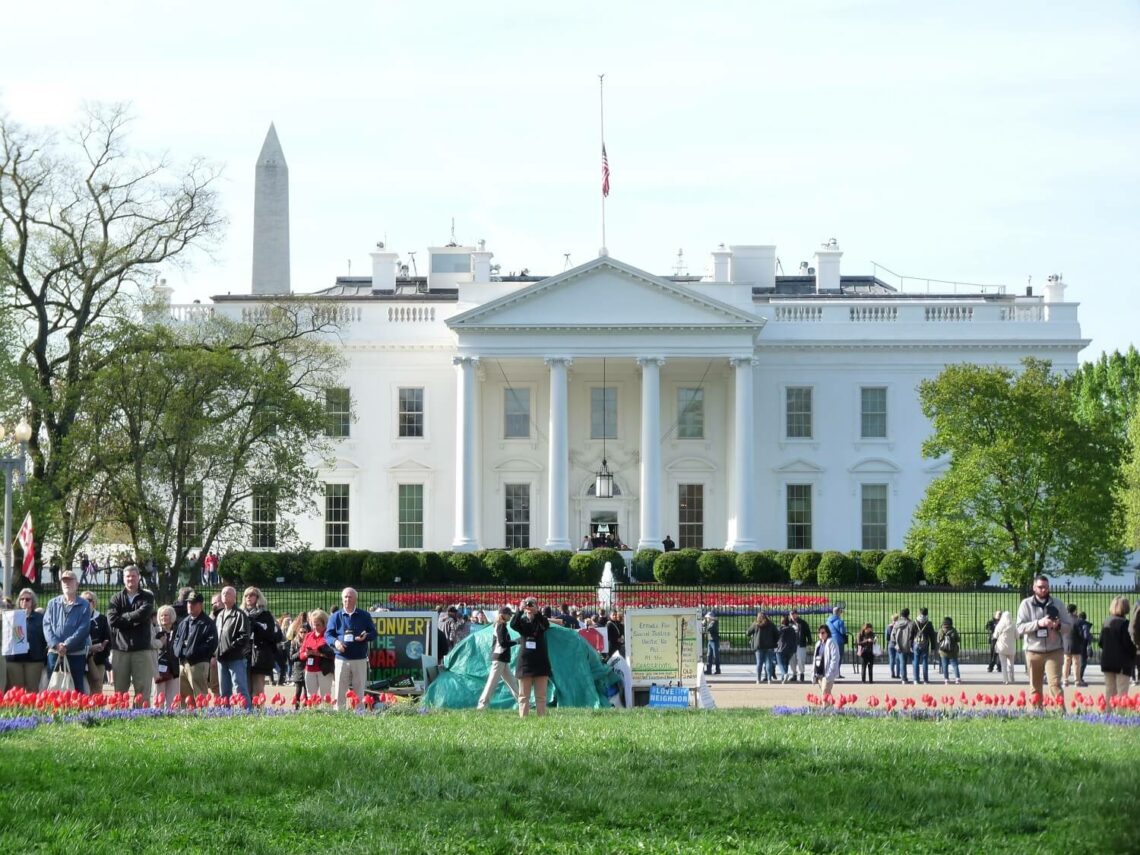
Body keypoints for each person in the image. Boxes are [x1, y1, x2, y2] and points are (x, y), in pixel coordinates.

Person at [1016, 574, 1072, 708]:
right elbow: (1019, 628)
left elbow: (1068, 627)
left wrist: (1057, 625)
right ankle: (1037, 714)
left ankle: (1061, 714)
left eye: (1046, 587)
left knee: (1055, 684)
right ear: (1034, 587)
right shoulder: (1026, 604)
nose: (1044, 590)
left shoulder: (1058, 604)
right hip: (1033, 651)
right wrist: (1038, 623)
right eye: (1040, 587)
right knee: (1035, 686)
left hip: (1054, 651)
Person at [107, 565, 157, 704]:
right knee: (119, 691)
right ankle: (120, 719)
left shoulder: (147, 596)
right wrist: (134, 621)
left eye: (133, 576)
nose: (131, 579)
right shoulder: (116, 598)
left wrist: (123, 618)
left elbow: (144, 613)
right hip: (120, 650)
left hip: (141, 649)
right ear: (123, 578)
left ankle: (141, 718)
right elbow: (112, 620)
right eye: (128, 576)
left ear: (138, 577)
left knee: (143, 690)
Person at [325, 587, 377, 711]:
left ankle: (359, 712)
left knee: (359, 688)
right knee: (339, 688)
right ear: (342, 599)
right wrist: (336, 643)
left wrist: (366, 637)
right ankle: (339, 713)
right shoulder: (335, 617)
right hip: (341, 659)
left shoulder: (364, 615)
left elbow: (374, 633)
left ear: (355, 599)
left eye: (350, 597)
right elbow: (328, 635)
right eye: (345, 597)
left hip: (359, 659)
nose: (347, 599)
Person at [43, 569, 92, 694]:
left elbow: (84, 628)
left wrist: (66, 644)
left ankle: (79, 714)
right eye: (64, 581)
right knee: (54, 688)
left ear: (77, 584)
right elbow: (46, 626)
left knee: (76, 690)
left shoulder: (84, 605)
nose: (66, 583)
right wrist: (56, 644)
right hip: (55, 653)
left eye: (70, 580)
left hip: (76, 654)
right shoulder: (52, 603)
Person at [510, 597, 551, 717]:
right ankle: (524, 718)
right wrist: (520, 610)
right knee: (523, 695)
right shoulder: (522, 622)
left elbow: (546, 625)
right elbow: (513, 624)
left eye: (532, 605)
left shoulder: (540, 620)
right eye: (528, 605)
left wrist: (537, 613)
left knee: (541, 695)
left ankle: (541, 717)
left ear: (537, 607)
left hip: (540, 661)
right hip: (525, 663)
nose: (529, 607)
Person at [172, 591, 217, 699]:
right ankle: (186, 716)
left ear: (200, 605)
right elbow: (176, 639)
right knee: (184, 697)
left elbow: (211, 644)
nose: (190, 605)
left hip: (198, 663)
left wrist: (193, 652)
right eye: (188, 603)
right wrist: (178, 651)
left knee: (200, 696)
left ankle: (202, 715)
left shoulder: (207, 623)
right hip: (183, 662)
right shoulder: (184, 622)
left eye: (193, 603)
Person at [215, 585, 253, 708]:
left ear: (235, 597)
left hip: (236, 658)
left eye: (228, 593)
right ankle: (225, 713)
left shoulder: (240, 615)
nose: (225, 595)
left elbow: (244, 637)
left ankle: (246, 712)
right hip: (221, 658)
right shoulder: (220, 615)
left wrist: (229, 649)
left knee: (240, 688)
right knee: (224, 690)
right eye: (223, 593)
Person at [477, 606, 520, 710]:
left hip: (502, 659)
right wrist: (516, 641)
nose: (510, 616)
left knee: (513, 683)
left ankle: (523, 702)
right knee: (491, 683)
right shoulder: (501, 625)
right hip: (499, 659)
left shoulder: (500, 625)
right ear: (504, 615)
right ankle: (482, 705)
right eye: (509, 614)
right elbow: (503, 643)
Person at [6, 588, 46, 692]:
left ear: (33, 601)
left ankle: (32, 709)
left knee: (32, 690)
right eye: (22, 599)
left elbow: (45, 638)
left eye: (28, 599)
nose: (24, 601)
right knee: (16, 691)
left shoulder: (40, 618)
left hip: (34, 660)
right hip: (14, 660)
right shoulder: (11, 617)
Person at [1098, 596, 1135, 705]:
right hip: (1122, 663)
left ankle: (1109, 715)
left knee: (1110, 691)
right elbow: (1128, 644)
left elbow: (1100, 642)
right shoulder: (1125, 624)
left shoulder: (1106, 622)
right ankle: (1120, 716)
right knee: (1122, 692)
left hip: (1107, 661)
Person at [241, 586, 276, 698]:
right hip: (244, 653)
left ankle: (258, 713)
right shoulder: (241, 614)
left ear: (257, 597)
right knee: (245, 689)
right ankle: (246, 713)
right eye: (246, 595)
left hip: (259, 655)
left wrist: (255, 625)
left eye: (251, 595)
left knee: (257, 690)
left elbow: (270, 634)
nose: (248, 597)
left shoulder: (265, 615)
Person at [300, 609, 335, 701]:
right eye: (313, 624)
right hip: (310, 669)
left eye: (318, 625)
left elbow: (333, 654)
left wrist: (319, 654)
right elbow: (301, 655)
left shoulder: (328, 636)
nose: (315, 627)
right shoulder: (308, 636)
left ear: (324, 624)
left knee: (325, 696)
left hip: (324, 670)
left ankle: (327, 714)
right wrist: (307, 653)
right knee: (311, 696)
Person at [82, 590, 112, 691]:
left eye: (89, 600)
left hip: (97, 660)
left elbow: (108, 639)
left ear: (94, 603)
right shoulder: (77, 618)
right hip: (80, 659)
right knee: (82, 689)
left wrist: (101, 650)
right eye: (83, 600)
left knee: (96, 688)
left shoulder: (102, 619)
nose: (86, 602)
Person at [153, 605, 181, 708]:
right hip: (159, 667)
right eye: (161, 616)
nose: (164, 618)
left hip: (174, 667)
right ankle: (157, 715)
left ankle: (172, 716)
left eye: (166, 615)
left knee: (173, 696)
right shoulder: (156, 631)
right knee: (158, 696)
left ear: (172, 617)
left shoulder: (177, 631)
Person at [746, 612, 779, 684]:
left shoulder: (755, 624)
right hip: (769, 646)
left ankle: (758, 679)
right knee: (768, 663)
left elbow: (748, 633)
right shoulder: (771, 624)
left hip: (759, 646)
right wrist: (774, 641)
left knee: (759, 663)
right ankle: (769, 679)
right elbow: (777, 634)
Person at [813, 624, 841, 700]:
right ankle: (831, 709)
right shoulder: (818, 644)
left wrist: (830, 672)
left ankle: (825, 710)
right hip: (819, 673)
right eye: (819, 633)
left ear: (827, 633)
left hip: (827, 673)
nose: (821, 634)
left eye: (823, 633)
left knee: (825, 693)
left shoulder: (831, 642)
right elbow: (815, 659)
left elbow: (835, 658)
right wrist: (814, 673)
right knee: (826, 693)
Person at [891, 609, 916, 684]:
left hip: (900, 646)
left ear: (901, 615)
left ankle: (904, 679)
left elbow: (893, 636)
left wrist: (896, 645)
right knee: (914, 662)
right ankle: (915, 678)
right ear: (908, 614)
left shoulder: (897, 624)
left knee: (902, 663)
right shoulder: (911, 623)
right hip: (910, 646)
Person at [913, 607, 937, 684]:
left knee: (916, 661)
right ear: (927, 614)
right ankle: (925, 680)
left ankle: (916, 679)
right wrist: (933, 647)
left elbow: (911, 634)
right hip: (925, 644)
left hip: (916, 644)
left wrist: (910, 644)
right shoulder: (929, 623)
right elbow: (932, 637)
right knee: (925, 662)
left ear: (920, 613)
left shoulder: (915, 622)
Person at [992, 610, 1017, 684]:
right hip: (1011, 648)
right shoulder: (1013, 625)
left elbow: (995, 635)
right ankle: (1012, 678)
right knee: (1011, 664)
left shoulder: (999, 625)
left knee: (1003, 664)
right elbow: (1017, 636)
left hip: (1002, 647)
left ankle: (1005, 680)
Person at [1062, 603, 1082, 688]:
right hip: (1076, 644)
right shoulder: (1078, 620)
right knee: (1076, 663)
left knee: (1066, 663)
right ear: (1074, 610)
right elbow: (1080, 633)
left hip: (1066, 644)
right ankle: (1076, 680)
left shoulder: (1064, 620)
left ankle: (1065, 680)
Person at [937, 616, 961, 685]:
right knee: (955, 665)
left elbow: (938, 640)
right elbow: (958, 639)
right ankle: (957, 678)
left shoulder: (941, 630)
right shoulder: (953, 630)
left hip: (943, 651)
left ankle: (946, 679)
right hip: (953, 651)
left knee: (944, 666)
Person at [789, 609, 811, 683]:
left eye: (794, 614)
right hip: (791, 645)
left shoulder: (803, 623)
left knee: (801, 660)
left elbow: (808, 633)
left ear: (797, 614)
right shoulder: (788, 623)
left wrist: (809, 641)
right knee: (792, 660)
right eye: (792, 614)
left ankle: (801, 674)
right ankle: (794, 674)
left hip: (800, 644)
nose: (793, 615)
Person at [826, 607, 849, 677]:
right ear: (839, 612)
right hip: (839, 641)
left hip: (830, 640)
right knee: (838, 656)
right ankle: (837, 673)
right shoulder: (840, 621)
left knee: (831, 657)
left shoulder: (828, 621)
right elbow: (843, 631)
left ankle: (829, 671)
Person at [776, 616, 798, 683]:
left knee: (780, 664)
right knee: (785, 664)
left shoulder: (780, 629)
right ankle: (783, 678)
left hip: (780, 648)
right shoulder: (792, 629)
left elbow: (776, 638)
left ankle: (784, 674)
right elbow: (795, 639)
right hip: (790, 649)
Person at [886, 613, 900, 679]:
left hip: (891, 643)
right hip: (898, 644)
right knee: (898, 659)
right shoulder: (899, 626)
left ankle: (892, 673)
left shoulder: (889, 626)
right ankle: (898, 674)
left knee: (892, 659)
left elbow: (887, 637)